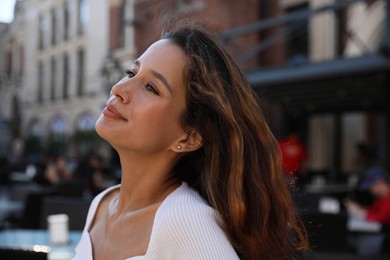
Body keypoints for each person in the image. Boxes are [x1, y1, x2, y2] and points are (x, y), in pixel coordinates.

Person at [73, 23, 309, 259]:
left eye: (151, 88)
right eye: (131, 73)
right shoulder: (101, 205)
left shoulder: (185, 220)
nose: (119, 88)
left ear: (188, 137)